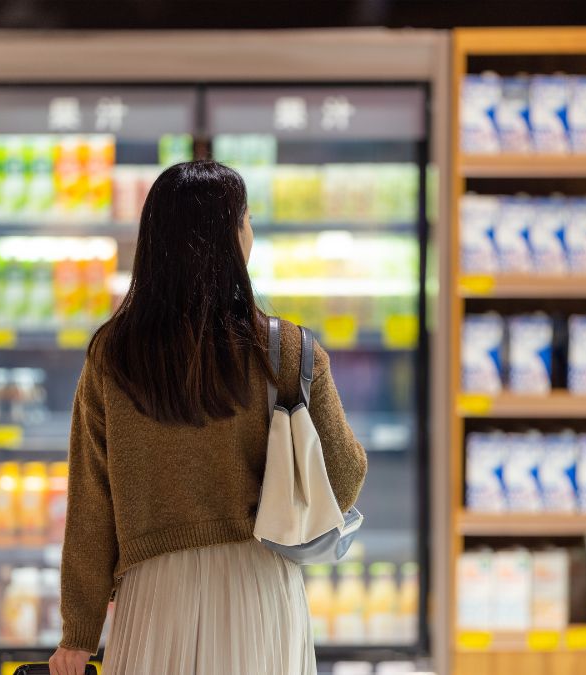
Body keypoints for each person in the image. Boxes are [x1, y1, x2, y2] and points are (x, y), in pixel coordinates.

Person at [48, 160, 367, 675]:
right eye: (247, 220)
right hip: (259, 589)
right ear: (231, 237)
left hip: (154, 599)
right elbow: (344, 478)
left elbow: (91, 503)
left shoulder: (113, 355)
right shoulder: (285, 350)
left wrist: (78, 632)